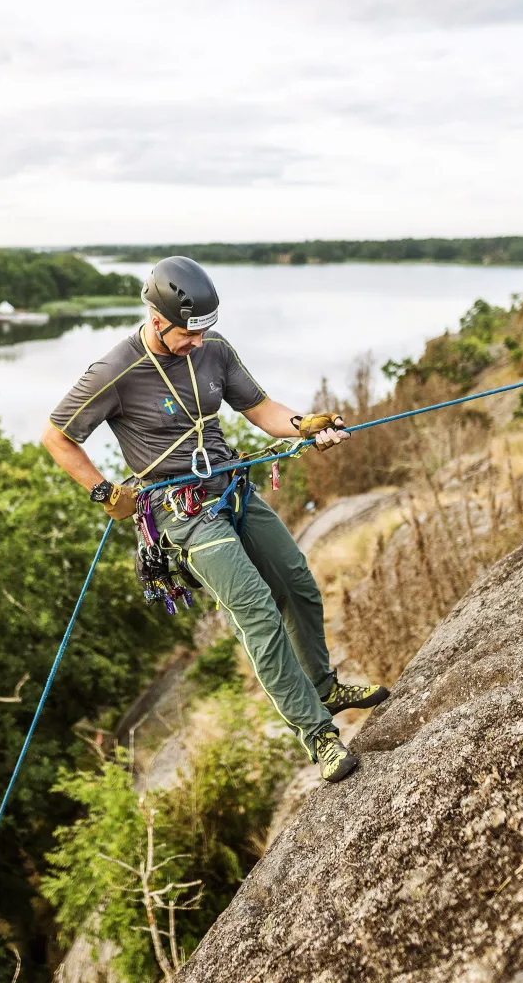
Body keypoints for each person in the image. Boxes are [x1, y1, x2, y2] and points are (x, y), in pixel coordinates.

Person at [41, 256, 389, 782]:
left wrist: (306, 425)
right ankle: (318, 737)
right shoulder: (116, 370)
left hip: (232, 488)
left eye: (205, 332)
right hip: (184, 515)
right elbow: (57, 437)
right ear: (156, 320)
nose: (198, 343)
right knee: (257, 612)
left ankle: (324, 685)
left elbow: (263, 409)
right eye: (188, 333)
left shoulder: (215, 352)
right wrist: (103, 490)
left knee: (297, 583)